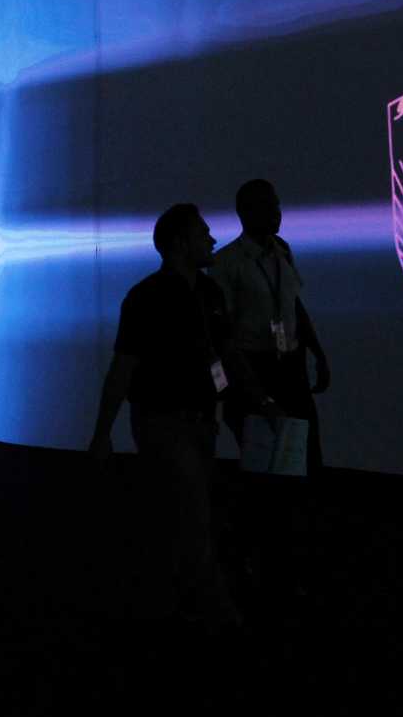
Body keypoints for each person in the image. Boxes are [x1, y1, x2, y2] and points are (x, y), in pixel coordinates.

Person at [88, 204, 277, 631]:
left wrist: (259, 400)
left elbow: (225, 354)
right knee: (193, 516)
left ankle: (172, 609)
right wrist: (102, 433)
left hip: (196, 423)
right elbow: (124, 367)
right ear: (180, 242)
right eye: (203, 233)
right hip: (163, 423)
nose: (212, 239)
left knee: (185, 516)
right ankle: (218, 615)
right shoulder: (147, 298)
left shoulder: (207, 294)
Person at [211, 179, 331, 597]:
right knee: (265, 473)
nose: (278, 211)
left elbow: (293, 303)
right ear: (247, 211)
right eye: (270, 204)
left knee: (304, 462)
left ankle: (292, 558)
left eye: (277, 203)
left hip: (289, 367)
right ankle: (258, 563)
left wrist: (315, 348)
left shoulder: (283, 252)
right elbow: (220, 333)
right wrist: (236, 390)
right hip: (254, 371)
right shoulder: (227, 263)